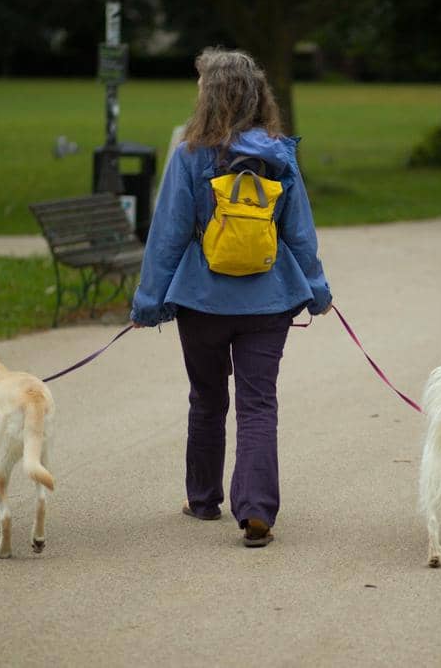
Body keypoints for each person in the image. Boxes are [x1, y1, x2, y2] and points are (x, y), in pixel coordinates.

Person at [131, 47, 332, 548]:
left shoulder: (191, 156)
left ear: (210, 98)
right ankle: (257, 509)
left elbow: (169, 233)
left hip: (202, 300)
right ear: (256, 96)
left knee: (207, 399)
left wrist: (149, 301)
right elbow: (299, 233)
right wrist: (317, 290)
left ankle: (203, 499)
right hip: (269, 301)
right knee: (259, 404)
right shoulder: (279, 153)